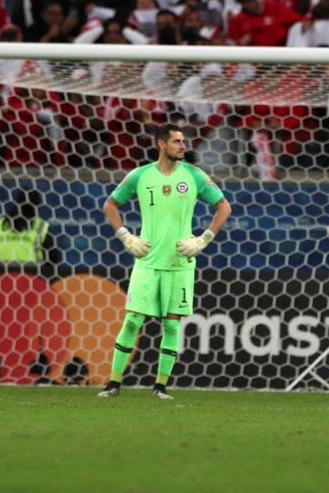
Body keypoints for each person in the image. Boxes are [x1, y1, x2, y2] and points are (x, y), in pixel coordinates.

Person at [98, 124, 232, 400]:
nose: (183, 146)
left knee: (171, 326)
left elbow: (224, 206)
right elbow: (110, 205)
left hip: (179, 263)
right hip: (147, 261)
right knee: (133, 321)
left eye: (183, 141)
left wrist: (203, 239)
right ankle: (113, 383)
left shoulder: (194, 176)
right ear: (161, 144)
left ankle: (160, 387)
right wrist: (125, 236)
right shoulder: (140, 175)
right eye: (177, 141)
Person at [0, 188, 58, 266]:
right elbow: (53, 258)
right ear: (35, 205)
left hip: (3, 275)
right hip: (33, 275)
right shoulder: (41, 227)